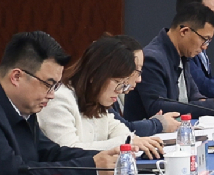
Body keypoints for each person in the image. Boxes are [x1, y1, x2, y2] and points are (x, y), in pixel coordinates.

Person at [0, 31, 121, 175]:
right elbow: (13, 173)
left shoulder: (24, 107)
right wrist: (90, 168)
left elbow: (49, 152)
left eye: (55, 86)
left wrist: (102, 158)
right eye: (48, 85)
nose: (52, 95)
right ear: (16, 77)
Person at [39, 35, 167, 159]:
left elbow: (117, 128)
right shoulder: (59, 99)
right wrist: (126, 143)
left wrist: (132, 140)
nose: (120, 91)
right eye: (117, 82)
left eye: (124, 84)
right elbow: (68, 150)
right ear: (95, 75)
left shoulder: (95, 100)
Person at [133, 3, 214, 121]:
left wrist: (207, 102)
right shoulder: (152, 59)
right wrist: (211, 106)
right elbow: (157, 107)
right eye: (205, 40)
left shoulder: (182, 54)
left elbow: (194, 95)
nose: (204, 47)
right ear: (184, 31)